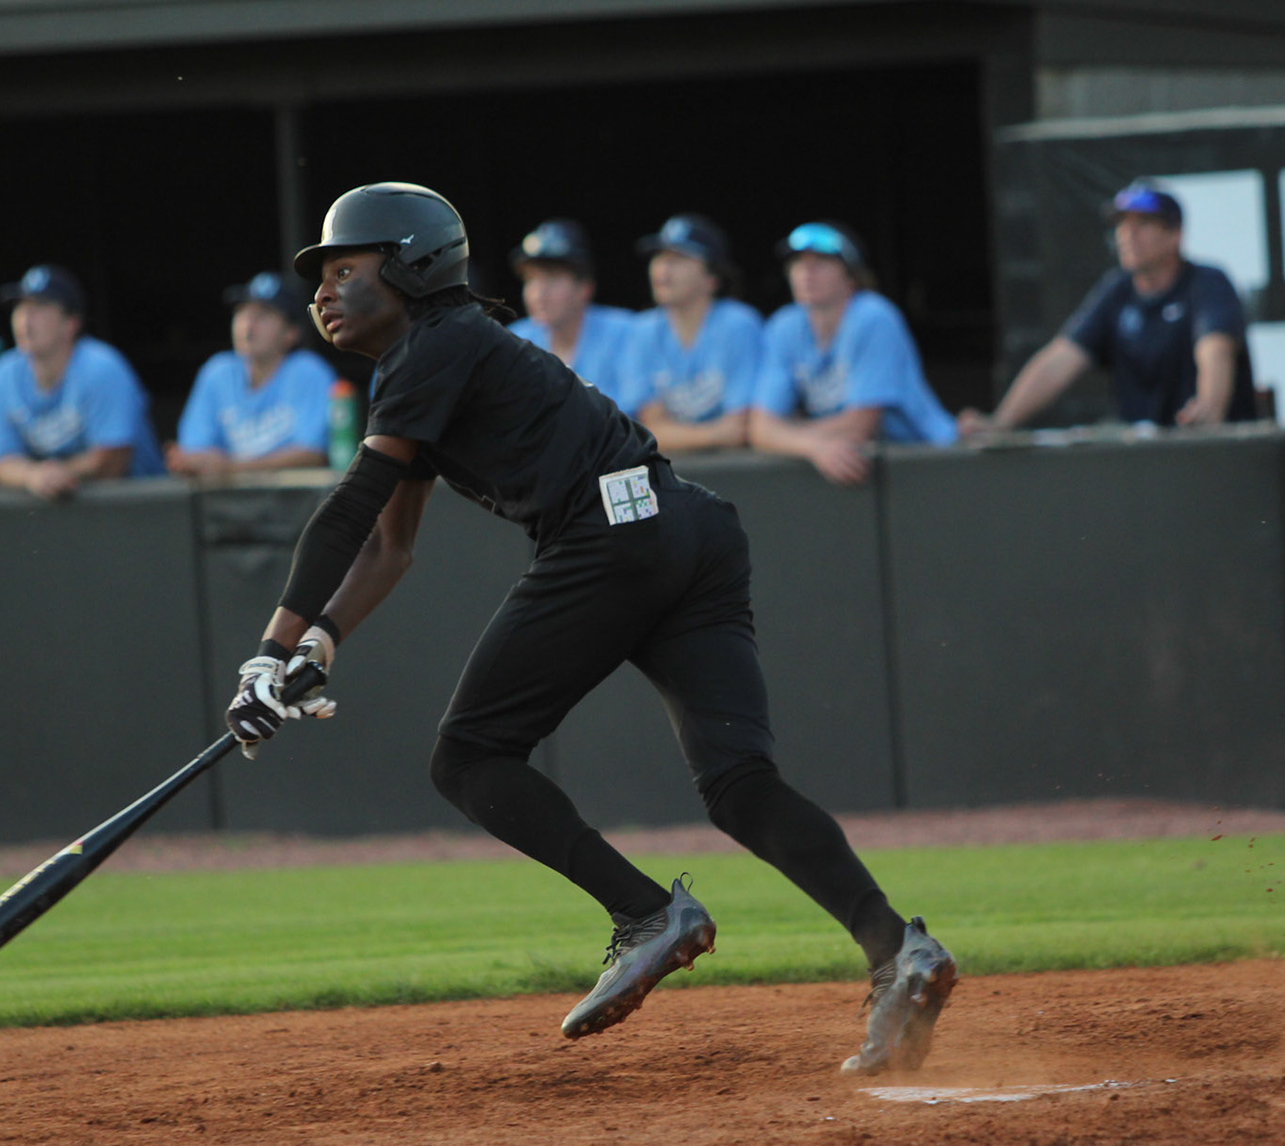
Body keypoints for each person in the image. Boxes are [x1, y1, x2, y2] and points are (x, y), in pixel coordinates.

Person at [223, 182, 957, 1075]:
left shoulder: (436, 343)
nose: (322, 292)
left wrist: (266, 653)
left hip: (611, 538)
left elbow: (349, 510)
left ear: (412, 265)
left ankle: (647, 914)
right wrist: (319, 642)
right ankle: (898, 951)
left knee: (469, 758)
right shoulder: (428, 359)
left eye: (344, 268)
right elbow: (386, 547)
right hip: (687, 529)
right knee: (739, 786)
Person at [960, 182, 1257, 436]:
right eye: (1122, 224)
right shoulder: (1117, 291)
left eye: (1143, 224)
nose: (1128, 235)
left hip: (1214, 455)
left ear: (1174, 235)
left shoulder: (1208, 283)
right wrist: (1001, 422)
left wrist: (1208, 408)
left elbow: (1214, 349)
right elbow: (1059, 360)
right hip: (1144, 460)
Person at [750, 222, 957, 487]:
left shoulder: (873, 317)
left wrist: (792, 437)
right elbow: (760, 430)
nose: (806, 272)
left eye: (821, 262)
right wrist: (814, 446)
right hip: (860, 466)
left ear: (851, 277)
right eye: (798, 263)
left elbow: (860, 425)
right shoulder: (784, 325)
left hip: (930, 457)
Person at [0, 264, 162, 498]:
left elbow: (113, 459)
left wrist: (57, 474)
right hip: (59, 507)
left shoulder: (102, 367)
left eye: (40, 307)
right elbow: (1, 462)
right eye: (20, 307)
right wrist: (33, 475)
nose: (25, 319)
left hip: (138, 504)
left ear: (70, 324)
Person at [616, 213, 762, 455]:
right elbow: (647, 430)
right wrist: (713, 434)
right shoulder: (641, 331)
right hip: (671, 470)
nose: (663, 268)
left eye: (679, 258)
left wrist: (674, 435)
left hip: (736, 469)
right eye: (659, 257)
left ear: (712, 278)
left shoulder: (738, 325)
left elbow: (739, 428)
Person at [166, 271, 337, 476]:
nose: (248, 325)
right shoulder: (217, 372)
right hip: (228, 497)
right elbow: (195, 451)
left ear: (291, 333)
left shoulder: (308, 372)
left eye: (262, 315)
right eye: (242, 313)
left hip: (296, 495)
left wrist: (231, 468)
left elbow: (314, 455)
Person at [505, 218, 638, 407]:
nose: (538, 292)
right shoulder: (514, 341)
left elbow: (643, 415)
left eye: (551, 278)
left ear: (585, 287)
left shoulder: (626, 332)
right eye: (530, 279)